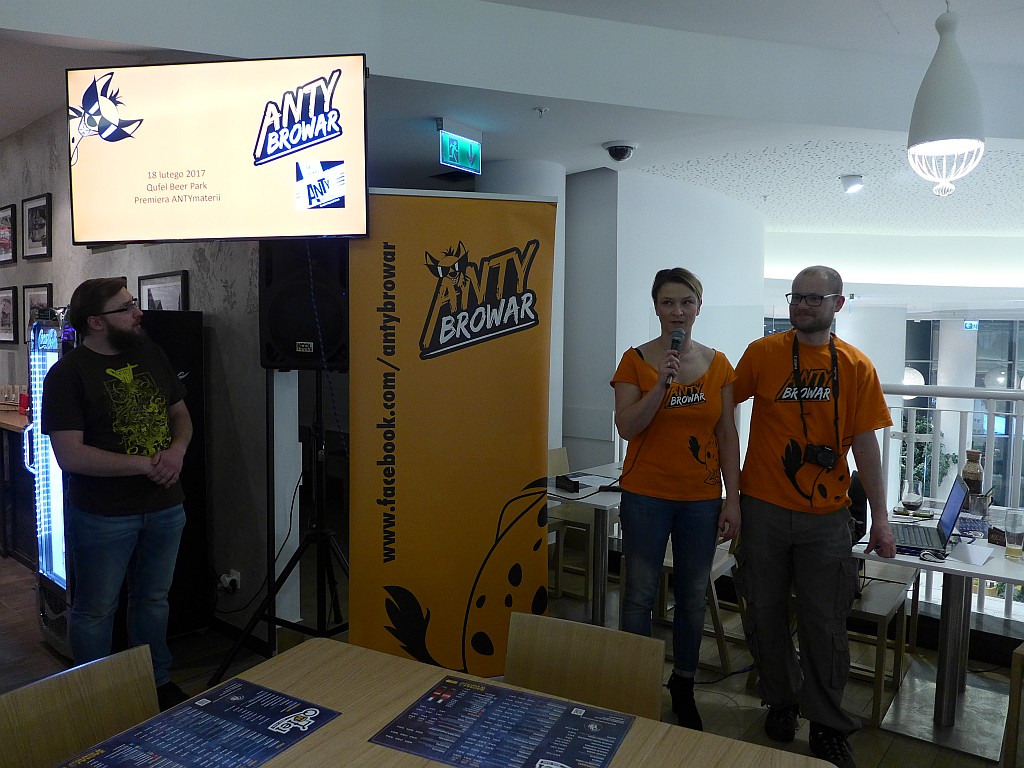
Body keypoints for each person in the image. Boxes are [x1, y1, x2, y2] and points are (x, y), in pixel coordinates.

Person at [733, 265, 896, 768]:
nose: (802, 306)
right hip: (762, 506)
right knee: (764, 612)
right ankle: (781, 700)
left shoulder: (856, 366)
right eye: (795, 297)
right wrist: (724, 490)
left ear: (837, 304)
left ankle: (827, 724)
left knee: (825, 623)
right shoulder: (763, 354)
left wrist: (882, 518)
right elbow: (719, 408)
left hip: (827, 516)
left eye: (813, 298)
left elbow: (866, 446)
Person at [42, 277, 193, 711]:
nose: (137, 312)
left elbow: (180, 414)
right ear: (96, 322)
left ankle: (155, 681)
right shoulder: (67, 374)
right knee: (95, 610)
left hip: (165, 506)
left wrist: (177, 452)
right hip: (103, 515)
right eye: (126, 307)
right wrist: (147, 464)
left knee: (154, 600)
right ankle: (96, 697)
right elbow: (71, 455)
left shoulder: (151, 354)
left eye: (134, 303)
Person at [610, 267, 740, 730]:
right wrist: (661, 386)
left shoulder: (719, 364)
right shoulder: (635, 361)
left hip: (700, 498)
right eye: (668, 303)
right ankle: (634, 682)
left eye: (686, 302)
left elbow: (727, 434)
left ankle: (683, 684)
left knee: (691, 594)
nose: (677, 311)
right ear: (656, 308)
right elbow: (628, 427)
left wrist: (733, 499)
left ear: (698, 307)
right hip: (645, 494)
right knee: (639, 593)